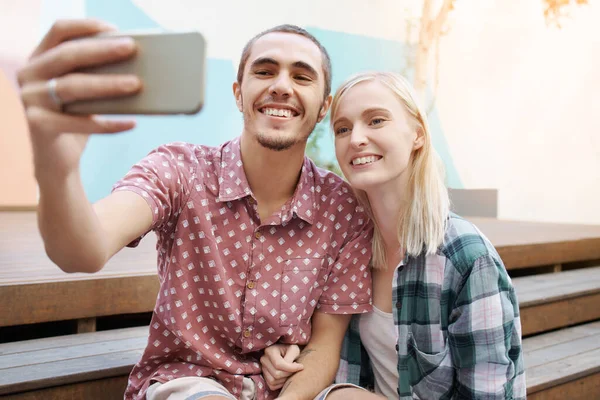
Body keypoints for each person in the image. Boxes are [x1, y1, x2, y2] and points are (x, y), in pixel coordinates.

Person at [17, 19, 374, 400]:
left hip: (288, 389)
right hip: (188, 383)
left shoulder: (343, 209)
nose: (282, 86)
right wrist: (56, 169)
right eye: (265, 71)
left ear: (323, 107)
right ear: (239, 93)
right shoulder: (180, 170)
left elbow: (323, 346)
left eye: (302, 77)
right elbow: (81, 251)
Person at [260, 71, 526, 399]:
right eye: (343, 128)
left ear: (417, 134)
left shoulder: (466, 257)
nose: (356, 138)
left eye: (376, 121)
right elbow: (321, 345)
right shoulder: (345, 246)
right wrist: (288, 354)